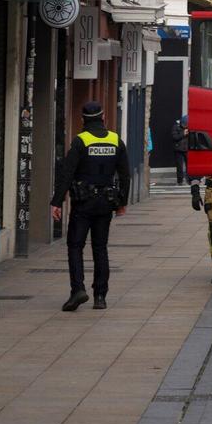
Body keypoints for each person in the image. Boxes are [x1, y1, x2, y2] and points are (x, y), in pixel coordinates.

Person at [51, 99, 129, 311]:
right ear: (103, 118)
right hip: (106, 204)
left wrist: (57, 202)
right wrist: (122, 202)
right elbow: (125, 174)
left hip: (83, 203)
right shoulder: (115, 140)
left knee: (75, 246)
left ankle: (78, 290)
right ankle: (100, 296)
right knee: (100, 248)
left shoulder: (80, 141)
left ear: (83, 119)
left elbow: (66, 173)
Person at [171, 111, 190, 186]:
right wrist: (183, 133)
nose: (185, 126)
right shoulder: (176, 126)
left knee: (189, 166)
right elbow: (174, 137)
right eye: (184, 124)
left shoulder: (189, 127)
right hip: (178, 149)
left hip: (187, 149)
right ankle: (180, 181)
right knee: (179, 166)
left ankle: (189, 180)